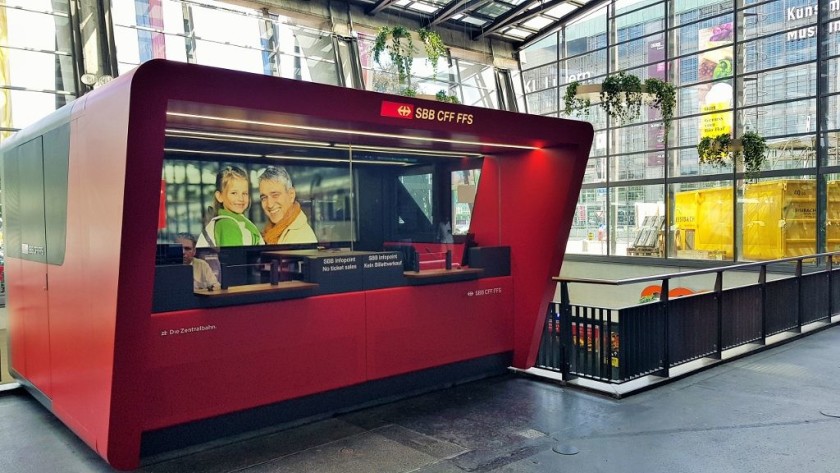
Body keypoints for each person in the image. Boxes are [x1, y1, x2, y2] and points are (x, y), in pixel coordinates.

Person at [198, 165, 264, 247]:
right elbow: (234, 259)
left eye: (245, 193)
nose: (241, 198)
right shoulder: (228, 225)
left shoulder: (238, 221)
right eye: (234, 193)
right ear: (220, 196)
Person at [258, 166, 317, 244]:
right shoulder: (271, 231)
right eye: (264, 198)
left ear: (291, 195)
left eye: (275, 195)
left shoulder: (301, 238)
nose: (270, 204)